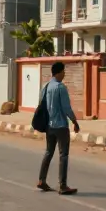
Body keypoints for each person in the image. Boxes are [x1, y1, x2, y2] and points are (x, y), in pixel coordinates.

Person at [37, 61, 79, 195]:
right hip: (61, 125)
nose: (65, 73)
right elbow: (66, 107)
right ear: (59, 72)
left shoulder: (46, 86)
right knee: (63, 155)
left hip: (49, 126)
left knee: (49, 152)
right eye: (64, 71)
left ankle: (41, 180)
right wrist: (75, 121)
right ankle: (63, 185)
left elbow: (41, 105)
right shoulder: (60, 87)